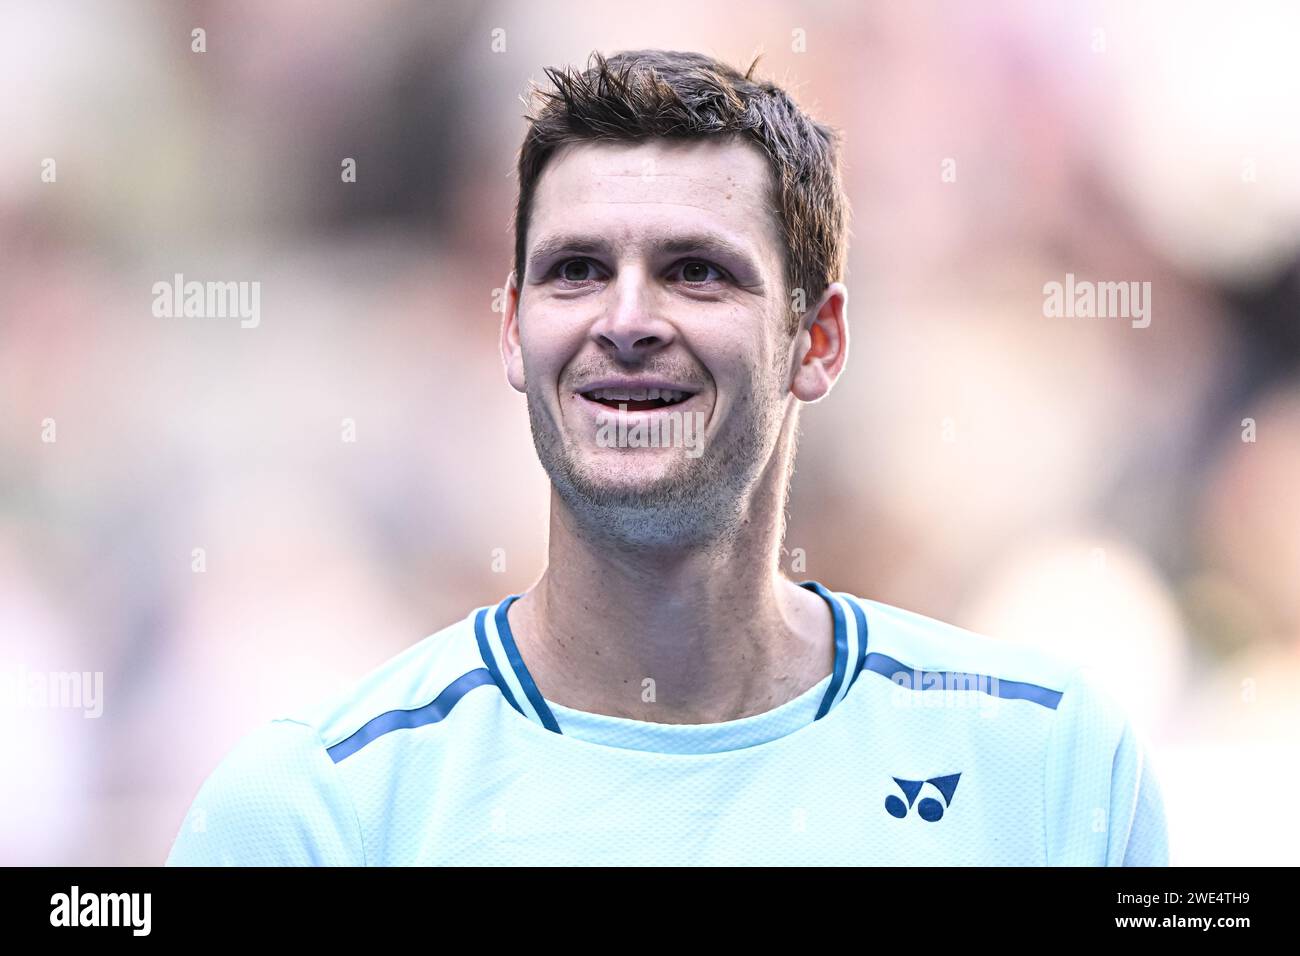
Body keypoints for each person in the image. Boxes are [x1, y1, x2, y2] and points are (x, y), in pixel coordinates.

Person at [166, 49, 1168, 866]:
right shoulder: (317, 810)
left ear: (815, 340)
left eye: (695, 271)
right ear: (513, 331)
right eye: (576, 270)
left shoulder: (1047, 766)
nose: (628, 319)